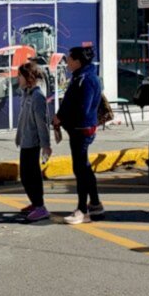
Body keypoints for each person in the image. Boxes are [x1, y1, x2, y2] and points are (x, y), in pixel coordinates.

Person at [53, 45, 103, 225]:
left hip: (82, 128)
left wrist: (62, 118)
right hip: (78, 128)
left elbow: (82, 108)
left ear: (78, 61)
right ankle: (95, 203)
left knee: (80, 169)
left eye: (69, 59)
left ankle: (82, 210)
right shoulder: (81, 77)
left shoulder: (86, 80)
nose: (66, 63)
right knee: (84, 167)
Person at [15, 61, 52, 222]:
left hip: (32, 142)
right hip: (25, 140)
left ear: (28, 77)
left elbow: (42, 123)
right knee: (27, 174)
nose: (18, 79)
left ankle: (40, 206)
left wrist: (46, 145)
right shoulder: (27, 94)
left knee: (29, 175)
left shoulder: (37, 96)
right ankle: (35, 203)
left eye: (20, 76)